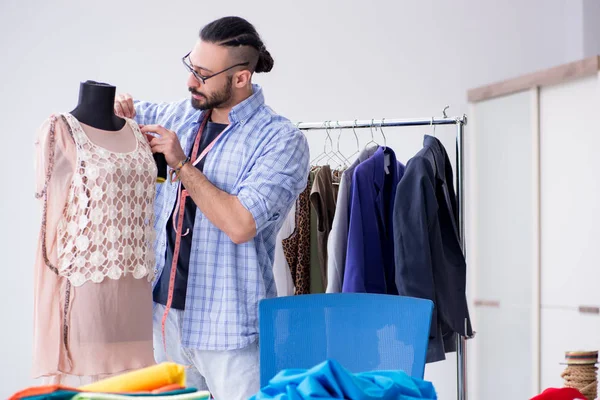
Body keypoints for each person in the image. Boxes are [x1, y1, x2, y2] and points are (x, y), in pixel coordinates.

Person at [114, 16, 310, 400]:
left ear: (241, 79)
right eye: (191, 67)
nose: (191, 81)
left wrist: (182, 165)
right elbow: (114, 117)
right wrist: (115, 108)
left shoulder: (281, 140)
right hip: (164, 322)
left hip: (229, 333)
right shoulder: (179, 117)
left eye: (203, 75)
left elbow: (240, 224)